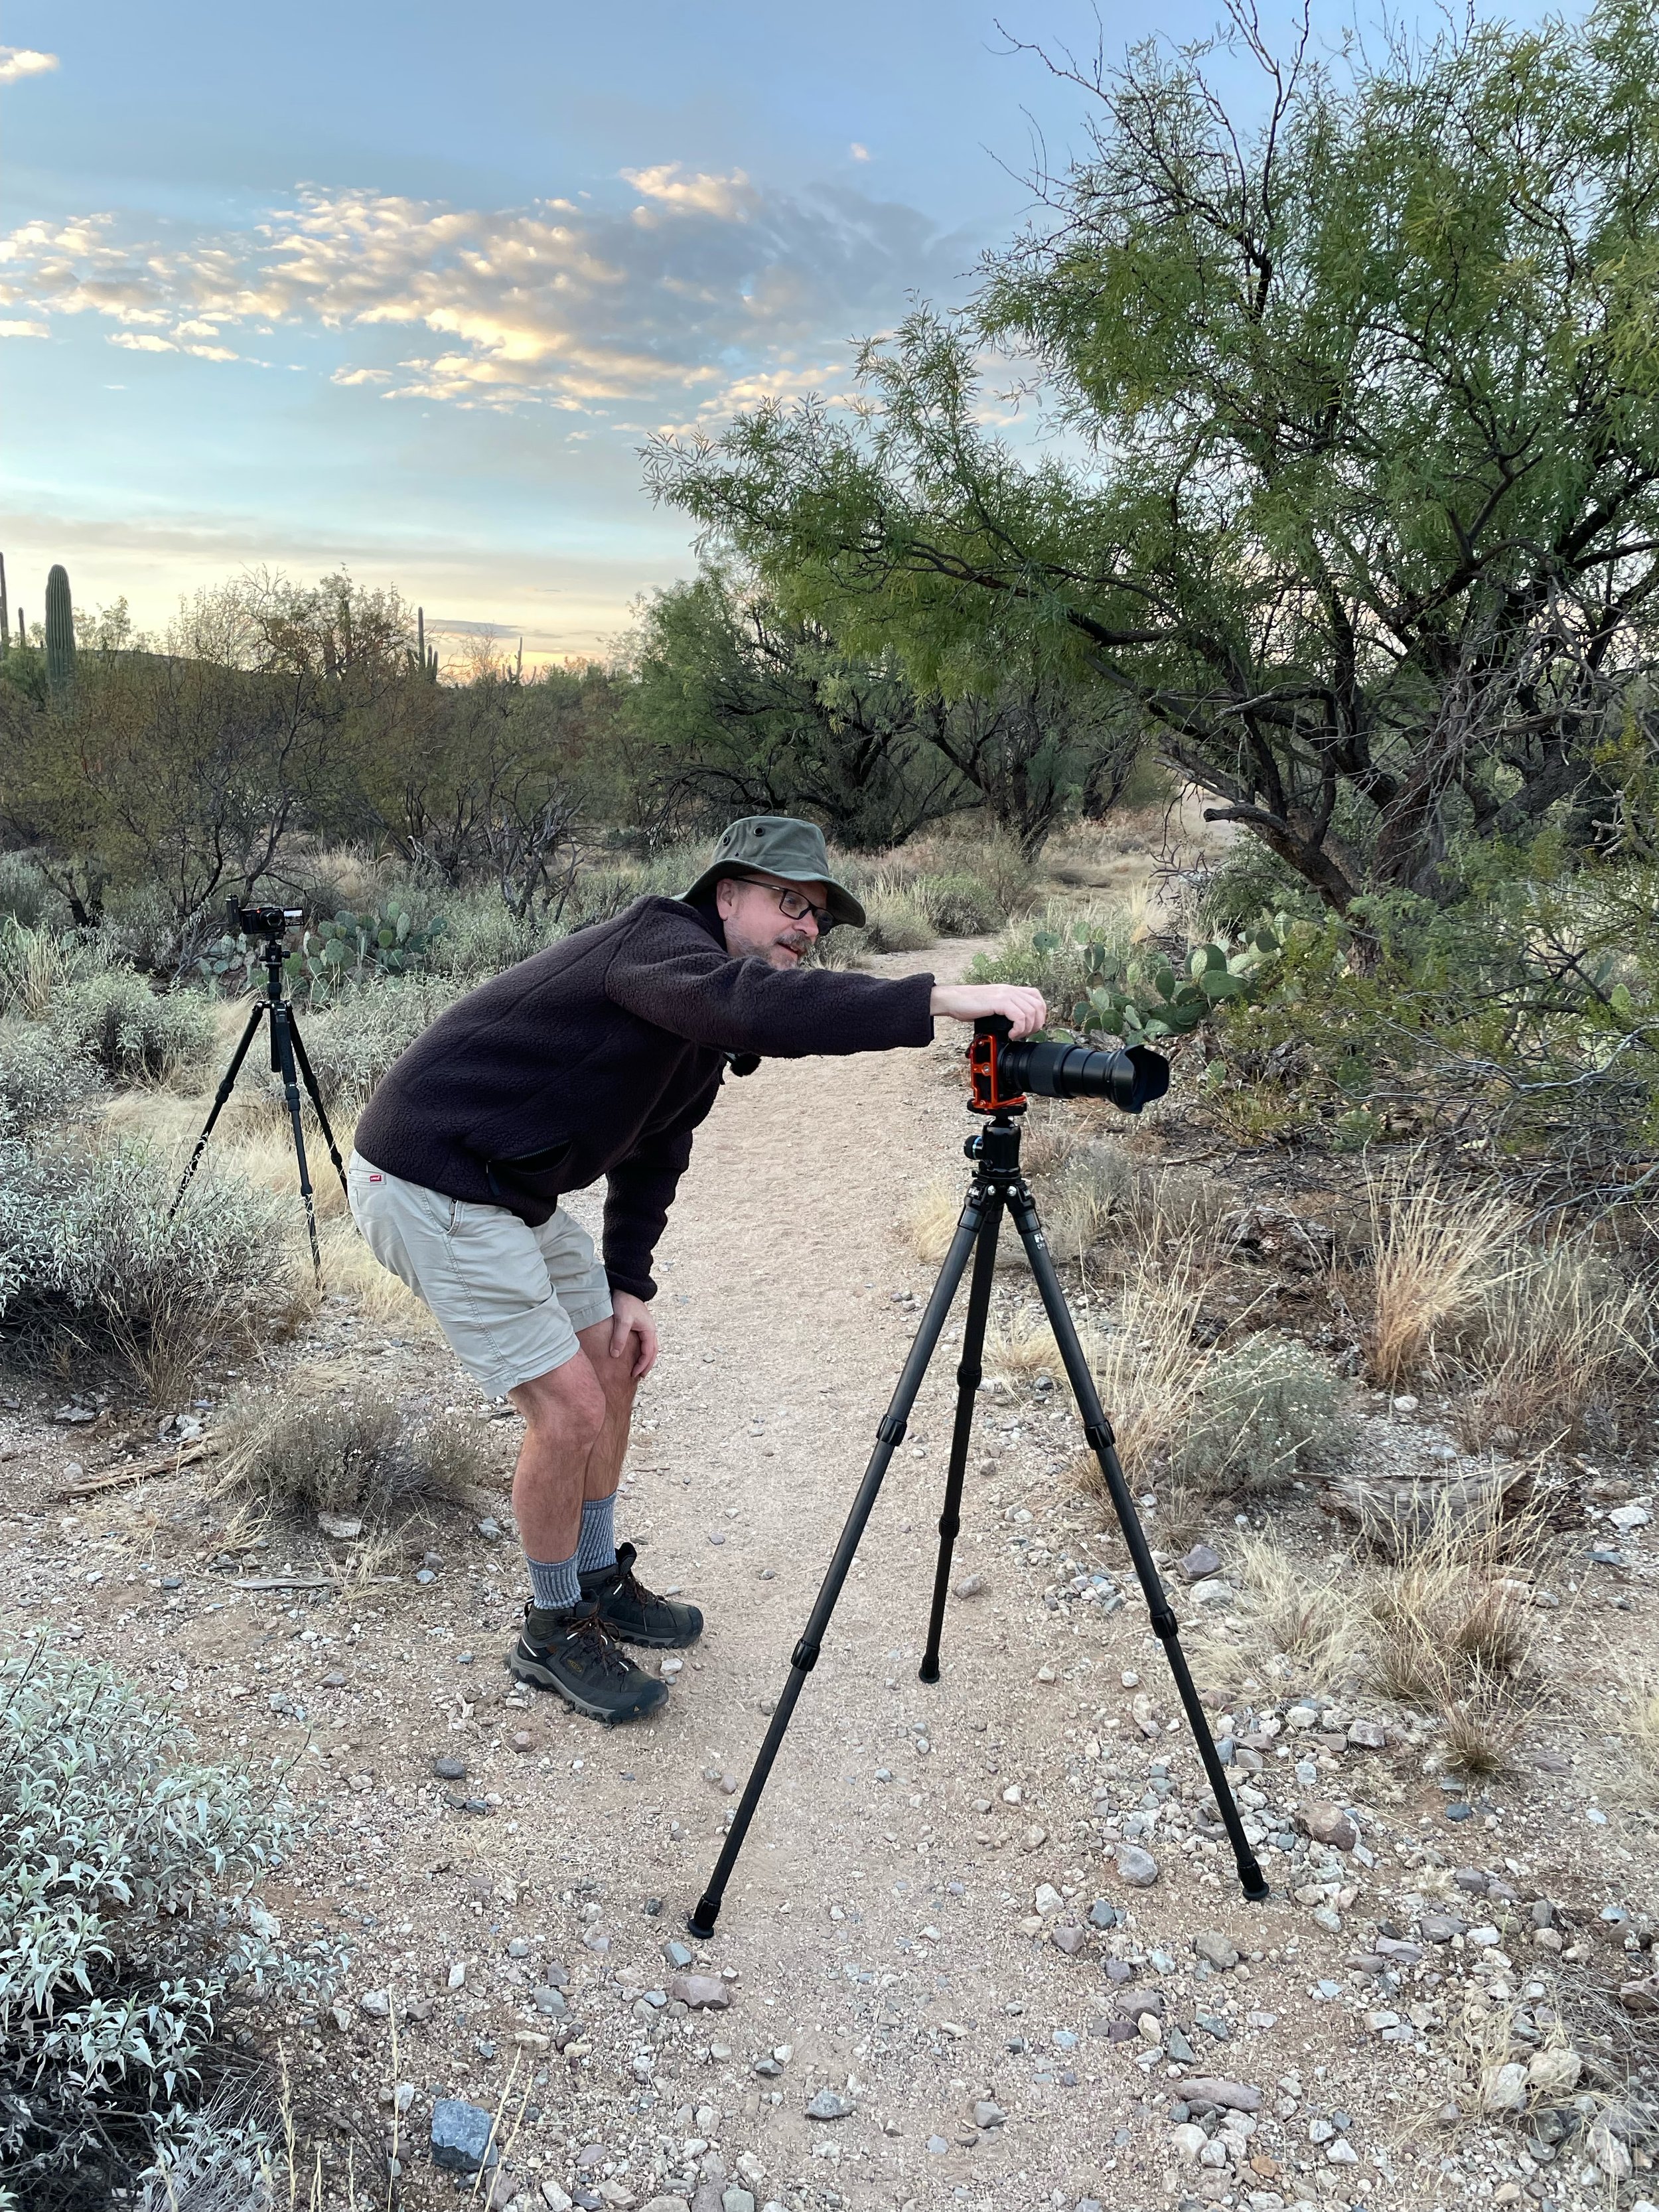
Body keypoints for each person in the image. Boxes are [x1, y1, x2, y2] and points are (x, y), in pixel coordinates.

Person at [348, 814, 1046, 1724]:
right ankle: (550, 1629)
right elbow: (758, 1008)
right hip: (428, 1178)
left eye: (819, 917)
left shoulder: (697, 1022)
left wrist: (628, 1281)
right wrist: (942, 1000)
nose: (807, 927)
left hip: (503, 1187)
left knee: (614, 1354)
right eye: (789, 903)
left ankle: (593, 1577)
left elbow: (656, 1145)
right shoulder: (659, 944)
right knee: (570, 1410)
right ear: (726, 894)